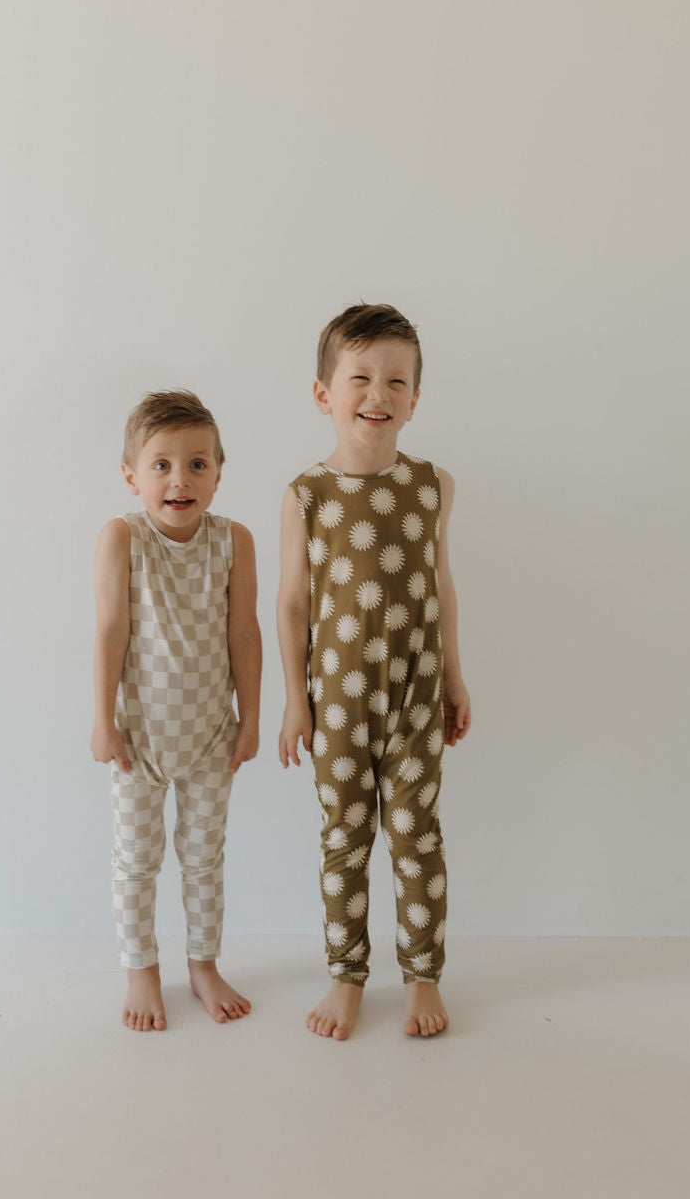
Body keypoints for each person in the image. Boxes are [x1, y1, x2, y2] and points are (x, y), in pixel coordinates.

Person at [278, 304, 472, 1040]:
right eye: (359, 377)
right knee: (345, 839)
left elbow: (442, 587)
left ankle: (423, 977)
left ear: (415, 399)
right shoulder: (307, 496)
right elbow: (293, 604)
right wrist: (296, 703)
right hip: (337, 705)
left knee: (418, 835)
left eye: (396, 380)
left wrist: (455, 678)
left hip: (417, 698)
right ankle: (346, 976)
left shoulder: (434, 486)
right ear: (326, 393)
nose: (378, 393)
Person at [91, 390, 261, 1032]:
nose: (179, 479)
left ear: (218, 471)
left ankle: (203, 964)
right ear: (132, 474)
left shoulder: (233, 541)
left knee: (203, 857)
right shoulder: (122, 538)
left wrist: (250, 720)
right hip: (139, 738)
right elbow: (109, 630)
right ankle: (141, 970)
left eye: (196, 464)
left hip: (211, 735)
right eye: (160, 464)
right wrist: (103, 719)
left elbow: (244, 633)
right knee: (136, 859)